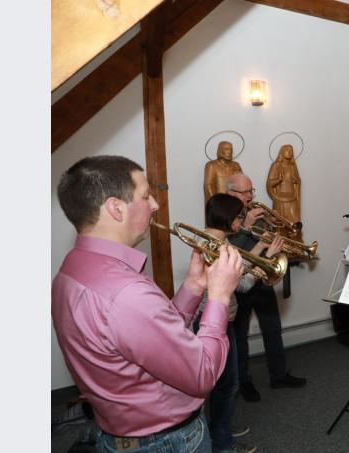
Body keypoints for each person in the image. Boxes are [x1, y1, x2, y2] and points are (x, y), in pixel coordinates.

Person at [52, 155, 243, 453]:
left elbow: (155, 338)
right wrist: (219, 297)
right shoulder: (127, 292)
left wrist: (194, 287)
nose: (155, 204)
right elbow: (202, 374)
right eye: (145, 196)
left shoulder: (72, 268)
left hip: (121, 433)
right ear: (116, 208)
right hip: (166, 442)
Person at [197, 194, 283, 453]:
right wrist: (266, 261)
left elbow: (238, 264)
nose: (241, 221)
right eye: (238, 217)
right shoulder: (218, 246)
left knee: (224, 383)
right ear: (227, 218)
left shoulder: (216, 241)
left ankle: (219, 428)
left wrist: (258, 250)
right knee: (226, 384)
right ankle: (221, 442)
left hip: (222, 318)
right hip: (216, 322)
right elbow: (242, 284)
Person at [226, 173, 307, 401]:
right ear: (230, 193)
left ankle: (278, 375)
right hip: (240, 282)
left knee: (272, 328)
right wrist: (246, 226)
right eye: (245, 192)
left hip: (262, 279)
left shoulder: (257, 212)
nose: (250, 196)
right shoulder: (223, 213)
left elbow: (265, 242)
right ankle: (244, 382)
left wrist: (276, 238)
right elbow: (231, 250)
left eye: (251, 191)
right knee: (239, 336)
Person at [266, 144, 301, 239]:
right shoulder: (276, 166)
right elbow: (270, 184)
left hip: (292, 199)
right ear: (282, 152)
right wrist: (278, 180)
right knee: (280, 226)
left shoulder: (293, 166)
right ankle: (281, 247)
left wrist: (296, 181)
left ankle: (294, 245)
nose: (291, 152)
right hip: (280, 200)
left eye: (292, 151)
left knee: (294, 224)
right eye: (288, 150)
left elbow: (298, 180)